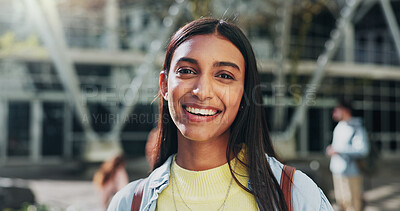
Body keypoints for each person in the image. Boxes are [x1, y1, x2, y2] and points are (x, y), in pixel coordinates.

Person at [108, 18, 333, 211]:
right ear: (164, 85)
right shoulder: (129, 203)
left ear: (245, 93)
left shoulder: (295, 194)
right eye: (186, 71)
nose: (202, 92)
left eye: (224, 75)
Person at [326, 99, 369, 211]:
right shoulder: (339, 126)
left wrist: (338, 150)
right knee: (342, 202)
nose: (334, 113)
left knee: (353, 204)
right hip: (337, 172)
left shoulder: (356, 127)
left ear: (345, 110)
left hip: (352, 173)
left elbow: (363, 150)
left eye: (337, 110)